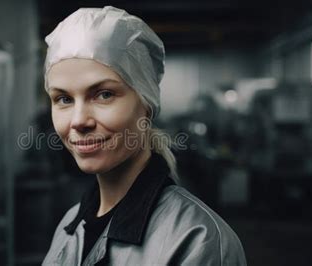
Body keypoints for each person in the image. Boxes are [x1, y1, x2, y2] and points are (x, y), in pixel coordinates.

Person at [42, 6, 247, 266]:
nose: (79, 120)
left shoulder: (197, 241)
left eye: (104, 94)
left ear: (147, 106)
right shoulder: (69, 226)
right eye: (63, 99)